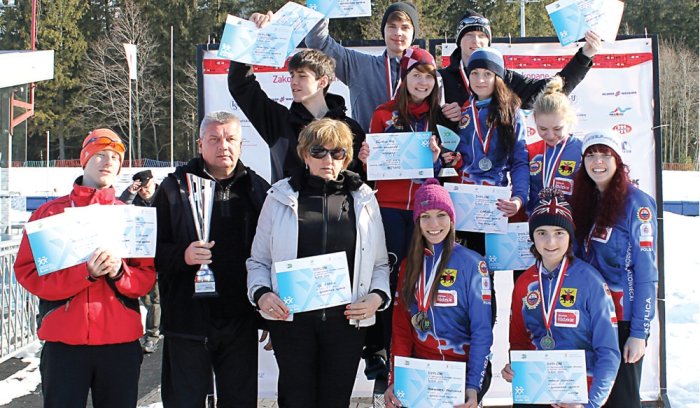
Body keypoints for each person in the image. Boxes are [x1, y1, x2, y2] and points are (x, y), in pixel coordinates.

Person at [246, 118, 391, 408]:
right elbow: (258, 261)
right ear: (304, 155)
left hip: (346, 323)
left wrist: (377, 297)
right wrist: (261, 294)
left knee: (335, 401)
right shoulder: (279, 197)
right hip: (293, 324)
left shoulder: (364, 198)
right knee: (295, 400)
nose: (328, 159)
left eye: (337, 152)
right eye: (319, 151)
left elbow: (380, 264)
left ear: (347, 157)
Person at [14, 129, 156, 407]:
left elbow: (146, 279)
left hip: (120, 343)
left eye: (115, 157)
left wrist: (118, 273)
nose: (108, 161)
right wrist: (85, 274)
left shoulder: (131, 217)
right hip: (64, 344)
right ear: (84, 159)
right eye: (100, 154)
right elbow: (29, 273)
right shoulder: (50, 214)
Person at [153, 111, 270, 407]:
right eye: (214, 139)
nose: (224, 146)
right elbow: (149, 252)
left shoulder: (258, 189)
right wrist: (183, 255)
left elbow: (272, 255)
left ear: (241, 145)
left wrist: (269, 312)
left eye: (230, 139)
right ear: (200, 144)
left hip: (239, 319)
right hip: (187, 320)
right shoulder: (173, 189)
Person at [360, 46, 452, 376]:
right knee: (388, 275)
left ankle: (420, 347)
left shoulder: (442, 118)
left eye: (428, 77)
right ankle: (381, 350)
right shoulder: (383, 114)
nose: (422, 82)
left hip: (426, 213)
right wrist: (367, 156)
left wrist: (440, 157)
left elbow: (453, 165)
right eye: (416, 75)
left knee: (421, 278)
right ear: (405, 78)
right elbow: (372, 167)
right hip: (389, 208)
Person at [501, 189, 620, 408]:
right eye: (542, 233)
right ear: (532, 236)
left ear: (570, 236)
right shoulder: (525, 283)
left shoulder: (591, 282)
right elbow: (518, 341)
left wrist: (590, 404)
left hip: (579, 397)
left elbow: (609, 352)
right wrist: (514, 367)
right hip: (536, 393)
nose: (550, 241)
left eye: (559, 232)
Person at [384, 179, 494, 408]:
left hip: (462, 373)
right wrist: (396, 379)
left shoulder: (473, 264)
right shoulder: (408, 265)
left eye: (441, 215)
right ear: (417, 222)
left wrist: (473, 387)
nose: (434, 224)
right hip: (421, 370)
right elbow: (402, 329)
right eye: (425, 216)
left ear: (452, 219)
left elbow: (482, 331)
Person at [570, 131, 658, 408]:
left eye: (605, 155)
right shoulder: (584, 198)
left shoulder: (637, 203)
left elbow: (646, 273)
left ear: (617, 160)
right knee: (589, 396)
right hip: (589, 316)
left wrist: (639, 333)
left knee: (621, 401)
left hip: (623, 320)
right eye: (591, 155)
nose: (598, 162)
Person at [304, 1, 459, 131]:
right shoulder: (359, 66)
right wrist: (321, 5)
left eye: (405, 27)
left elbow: (439, 118)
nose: (398, 32)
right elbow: (318, 42)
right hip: (369, 159)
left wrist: (452, 113)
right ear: (383, 30)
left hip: (419, 160)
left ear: (413, 33)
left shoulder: (431, 75)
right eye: (392, 26)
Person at [228, 41, 366, 182]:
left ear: (322, 82)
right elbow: (240, 85)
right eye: (292, 75)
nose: (293, 81)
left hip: (339, 203)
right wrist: (251, 34)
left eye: (302, 76)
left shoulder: (351, 129)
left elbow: (361, 182)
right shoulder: (279, 121)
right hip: (290, 203)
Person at [445, 46, 529, 256]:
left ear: (498, 77)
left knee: (489, 269)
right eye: (474, 73)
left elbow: (520, 162)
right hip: (464, 203)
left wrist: (519, 198)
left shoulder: (512, 114)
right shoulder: (462, 112)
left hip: (495, 203)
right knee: (465, 266)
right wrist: (452, 159)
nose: (480, 80)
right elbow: (456, 157)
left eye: (487, 74)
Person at [439, 10, 602, 110]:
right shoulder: (441, 79)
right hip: (455, 162)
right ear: (458, 41)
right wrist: (444, 114)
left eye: (482, 36)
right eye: (469, 35)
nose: (476, 41)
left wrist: (585, 56)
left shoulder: (505, 78)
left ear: (489, 41)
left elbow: (550, 90)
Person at [120, 169, 162, 353]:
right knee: (147, 299)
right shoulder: (133, 199)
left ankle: (152, 334)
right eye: (141, 188)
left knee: (155, 300)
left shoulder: (166, 196)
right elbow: (117, 209)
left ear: (153, 182)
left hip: (162, 254)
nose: (144, 191)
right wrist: (130, 193)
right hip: (140, 256)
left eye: (147, 187)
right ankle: (154, 328)